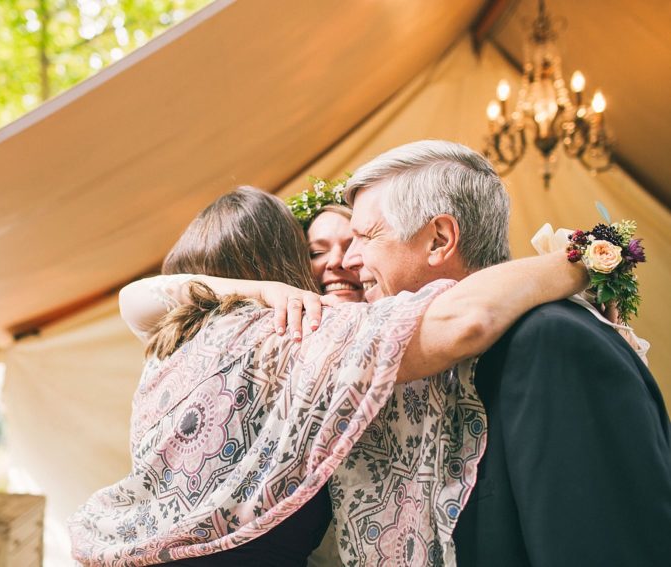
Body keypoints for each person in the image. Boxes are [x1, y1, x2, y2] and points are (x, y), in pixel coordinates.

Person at [69, 185, 588, 566]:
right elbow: (463, 320)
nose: (338, 266)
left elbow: (136, 298)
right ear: (285, 263)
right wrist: (583, 259)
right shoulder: (296, 335)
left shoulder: (169, 341)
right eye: (312, 253)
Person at [341, 140, 671, 566]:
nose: (349, 260)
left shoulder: (551, 342)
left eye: (366, 237)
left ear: (439, 239)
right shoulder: (452, 355)